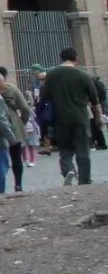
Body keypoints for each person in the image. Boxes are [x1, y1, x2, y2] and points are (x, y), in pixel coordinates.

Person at [39, 46, 106, 185]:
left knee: (65, 150)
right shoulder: (83, 74)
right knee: (83, 150)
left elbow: (44, 96)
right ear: (76, 58)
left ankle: (69, 170)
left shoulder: (51, 74)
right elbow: (95, 99)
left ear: (61, 58)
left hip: (60, 118)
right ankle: (84, 179)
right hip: (80, 117)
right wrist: (99, 119)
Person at [0, 66, 34, 191]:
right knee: (16, 156)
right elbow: (25, 108)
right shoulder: (12, 89)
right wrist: (22, 121)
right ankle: (18, 184)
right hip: (13, 124)